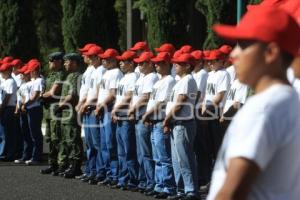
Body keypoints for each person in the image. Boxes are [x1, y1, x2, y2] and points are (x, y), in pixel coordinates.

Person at [207, 7, 300, 200]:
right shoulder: (288, 100)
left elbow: (232, 192)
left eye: (243, 44)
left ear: (271, 52)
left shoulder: (264, 107)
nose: (234, 54)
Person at [164, 53, 198, 200]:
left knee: (184, 159)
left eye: (178, 63)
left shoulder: (187, 79)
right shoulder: (181, 80)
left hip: (183, 124)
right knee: (177, 160)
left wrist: (166, 120)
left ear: (188, 66)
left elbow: (180, 103)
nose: (174, 65)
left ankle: (191, 190)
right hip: (176, 124)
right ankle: (181, 190)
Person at [142, 52, 176, 198]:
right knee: (157, 157)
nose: (156, 65)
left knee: (164, 157)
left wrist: (146, 114)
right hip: (154, 121)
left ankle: (168, 187)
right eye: (155, 62)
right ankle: (159, 185)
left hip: (160, 121)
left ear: (168, 64)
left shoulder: (169, 80)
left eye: (160, 63)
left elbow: (162, 103)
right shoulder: (158, 81)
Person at [128, 51, 157, 193]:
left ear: (150, 63)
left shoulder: (151, 77)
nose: (139, 65)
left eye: (142, 63)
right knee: (141, 152)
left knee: (147, 153)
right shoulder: (141, 77)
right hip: (138, 117)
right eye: (138, 63)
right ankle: (144, 180)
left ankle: (151, 182)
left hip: (145, 117)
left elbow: (146, 97)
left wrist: (133, 109)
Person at [111, 50, 139, 190]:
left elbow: (128, 96)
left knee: (129, 151)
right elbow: (119, 97)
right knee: (121, 152)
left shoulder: (133, 77)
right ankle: (123, 179)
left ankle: (133, 180)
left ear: (131, 63)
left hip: (127, 118)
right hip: (119, 117)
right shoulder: (123, 77)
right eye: (120, 61)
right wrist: (115, 111)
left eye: (124, 61)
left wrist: (115, 109)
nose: (120, 63)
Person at [95, 48, 123, 186]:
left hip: (108, 109)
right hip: (102, 110)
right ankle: (108, 173)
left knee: (110, 144)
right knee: (104, 144)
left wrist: (100, 106)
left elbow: (112, 94)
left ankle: (114, 174)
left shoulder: (116, 73)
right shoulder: (106, 73)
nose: (103, 60)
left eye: (106, 59)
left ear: (113, 60)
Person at [80, 45, 106, 184]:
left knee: (97, 143)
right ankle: (91, 170)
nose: (88, 58)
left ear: (97, 57)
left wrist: (84, 104)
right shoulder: (93, 70)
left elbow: (97, 92)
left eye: (90, 56)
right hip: (88, 108)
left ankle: (100, 171)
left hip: (93, 108)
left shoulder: (101, 70)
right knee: (90, 143)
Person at [58, 53, 84, 178]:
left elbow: (72, 95)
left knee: (73, 140)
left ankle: (76, 166)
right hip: (66, 114)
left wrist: (60, 105)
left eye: (66, 61)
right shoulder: (70, 76)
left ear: (74, 63)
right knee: (67, 140)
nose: (64, 64)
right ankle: (70, 165)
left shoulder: (75, 76)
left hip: (72, 114)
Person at [40, 52, 65, 174]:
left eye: (51, 61)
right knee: (50, 139)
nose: (49, 63)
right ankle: (53, 163)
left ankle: (62, 164)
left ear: (58, 61)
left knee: (58, 139)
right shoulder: (50, 75)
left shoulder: (60, 74)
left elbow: (52, 92)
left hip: (56, 111)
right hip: (48, 111)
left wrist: (40, 96)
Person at [24, 59, 45, 165]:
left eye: (31, 70)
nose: (30, 72)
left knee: (35, 134)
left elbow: (35, 96)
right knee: (33, 133)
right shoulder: (33, 81)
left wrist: (25, 104)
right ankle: (35, 155)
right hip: (30, 108)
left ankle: (36, 157)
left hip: (35, 109)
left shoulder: (39, 81)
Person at [0, 63, 18, 161]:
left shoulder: (10, 81)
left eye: (3, 71)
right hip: (6, 108)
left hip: (8, 108)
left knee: (6, 133)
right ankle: (5, 153)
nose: (1, 73)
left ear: (8, 72)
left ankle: (6, 154)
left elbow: (7, 98)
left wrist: (1, 109)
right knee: (4, 132)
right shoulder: (6, 81)